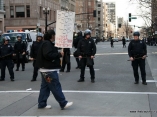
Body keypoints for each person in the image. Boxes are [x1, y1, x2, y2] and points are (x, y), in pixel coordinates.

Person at [35, 30, 73, 109]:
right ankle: (63, 103)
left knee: (45, 88)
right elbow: (48, 55)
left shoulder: (45, 43)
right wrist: (58, 54)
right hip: (49, 70)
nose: (55, 36)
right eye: (54, 35)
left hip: (45, 70)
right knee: (55, 86)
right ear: (52, 36)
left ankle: (42, 103)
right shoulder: (47, 44)